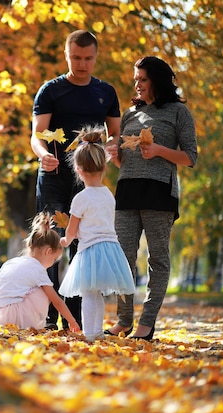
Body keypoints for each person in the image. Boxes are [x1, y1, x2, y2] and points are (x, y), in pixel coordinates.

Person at [30, 29, 121, 330]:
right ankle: (47, 318)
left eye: (88, 58)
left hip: (89, 181)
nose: (82, 64)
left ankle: (76, 320)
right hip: (54, 176)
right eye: (76, 58)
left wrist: (112, 146)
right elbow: (37, 134)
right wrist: (42, 153)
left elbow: (116, 134)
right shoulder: (50, 91)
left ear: (96, 57)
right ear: (67, 55)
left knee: (83, 243)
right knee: (52, 242)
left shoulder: (106, 92)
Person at [106, 56, 198, 340]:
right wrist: (114, 154)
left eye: (142, 79)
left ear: (156, 80)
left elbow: (190, 157)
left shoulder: (178, 113)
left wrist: (159, 150)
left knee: (157, 259)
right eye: (136, 79)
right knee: (123, 258)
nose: (137, 84)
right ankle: (123, 320)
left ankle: (146, 323)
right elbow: (125, 161)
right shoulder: (130, 114)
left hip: (160, 192)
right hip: (128, 190)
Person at [57, 127, 135, 341]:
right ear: (103, 167)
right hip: (110, 249)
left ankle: (90, 333)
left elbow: (72, 230)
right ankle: (97, 332)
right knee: (97, 293)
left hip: (89, 250)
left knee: (88, 294)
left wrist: (65, 240)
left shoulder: (80, 198)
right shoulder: (109, 195)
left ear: (78, 169)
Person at [0, 212, 80, 332]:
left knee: (33, 288)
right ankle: (29, 322)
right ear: (48, 252)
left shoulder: (13, 262)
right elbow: (57, 301)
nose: (52, 264)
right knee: (44, 292)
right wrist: (72, 321)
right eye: (54, 259)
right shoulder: (38, 270)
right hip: (13, 315)